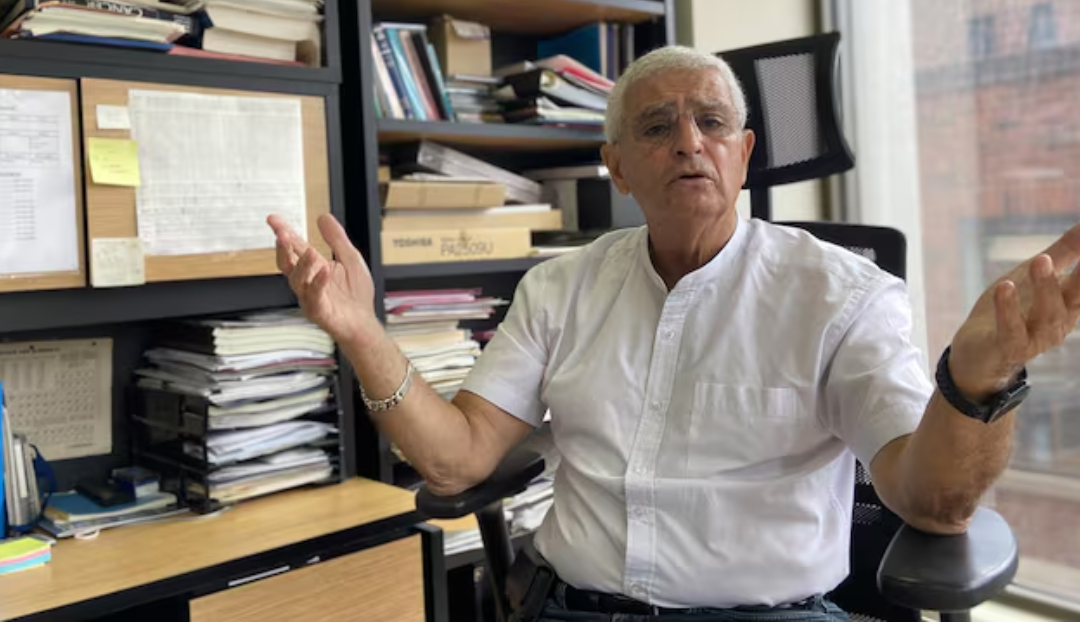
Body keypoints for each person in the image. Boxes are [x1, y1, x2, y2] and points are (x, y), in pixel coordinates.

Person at [267, 46, 1080, 621]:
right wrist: (361, 332)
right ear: (618, 167)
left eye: (712, 122)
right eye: (657, 127)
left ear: (744, 153)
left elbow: (933, 502)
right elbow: (457, 459)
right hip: (571, 607)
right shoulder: (560, 287)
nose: (689, 141)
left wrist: (977, 381)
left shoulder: (843, 296)